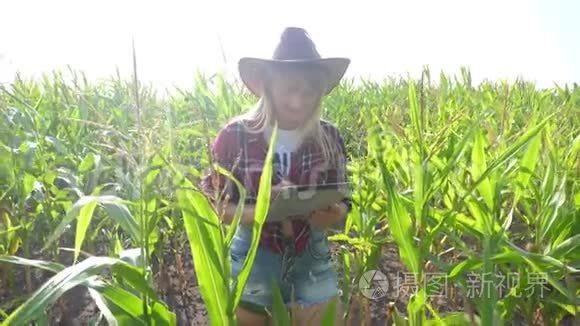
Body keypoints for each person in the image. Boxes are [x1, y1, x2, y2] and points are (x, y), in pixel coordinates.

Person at [202, 27, 352, 325]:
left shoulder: (329, 136)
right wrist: (261, 211)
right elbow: (214, 206)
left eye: (310, 91)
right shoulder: (235, 136)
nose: (299, 101)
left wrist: (335, 213)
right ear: (268, 86)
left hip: (311, 251)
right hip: (253, 255)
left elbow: (344, 198)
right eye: (290, 90)